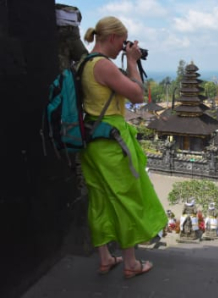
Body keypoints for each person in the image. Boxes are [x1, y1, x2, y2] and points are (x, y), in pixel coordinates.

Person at [80, 16, 167, 279]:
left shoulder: (84, 63)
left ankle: (106, 257)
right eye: (122, 42)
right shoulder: (103, 66)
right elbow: (138, 95)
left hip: (92, 140)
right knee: (125, 198)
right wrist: (131, 62)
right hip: (112, 142)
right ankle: (130, 263)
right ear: (113, 38)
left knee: (100, 199)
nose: (123, 47)